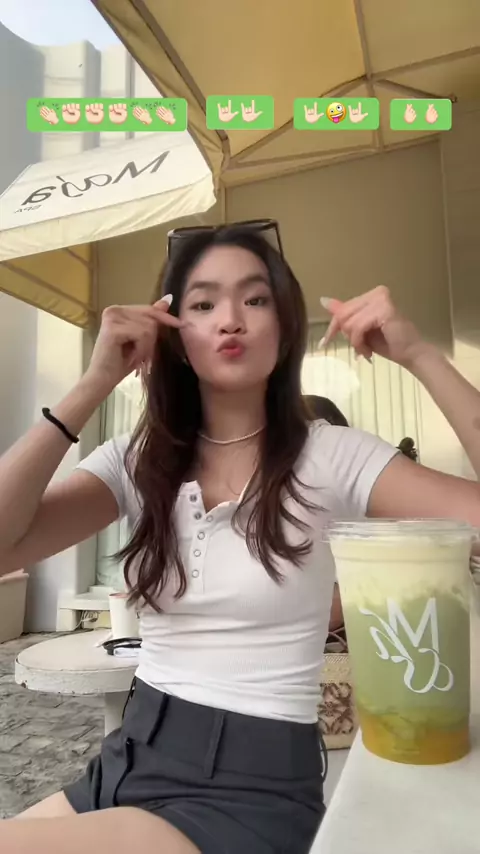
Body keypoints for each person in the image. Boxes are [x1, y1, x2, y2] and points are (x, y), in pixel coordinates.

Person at [1, 221, 480, 854]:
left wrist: (421, 355)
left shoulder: (333, 457)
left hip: (248, 791)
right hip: (128, 759)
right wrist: (91, 386)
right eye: (203, 305)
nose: (230, 320)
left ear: (284, 327)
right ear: (173, 335)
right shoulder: (138, 461)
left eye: (255, 299)